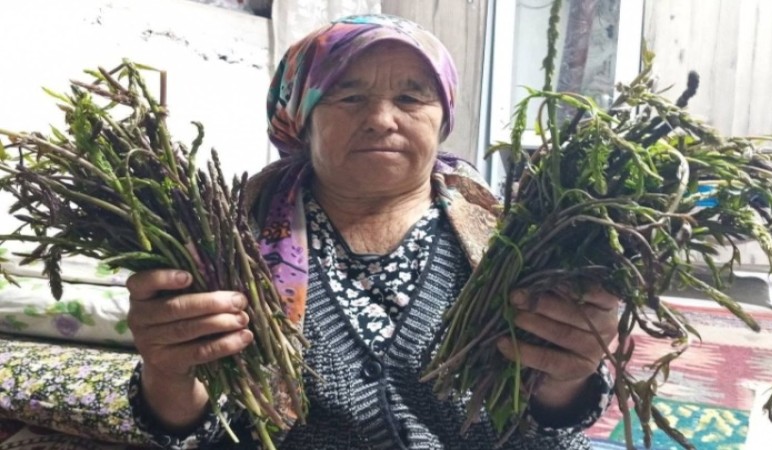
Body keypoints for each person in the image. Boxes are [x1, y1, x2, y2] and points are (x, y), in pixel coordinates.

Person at [126, 14, 619, 449]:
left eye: (411, 97)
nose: (382, 120)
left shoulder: (508, 238)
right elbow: (192, 430)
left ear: (442, 117)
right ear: (300, 117)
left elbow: (547, 430)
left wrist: (570, 375)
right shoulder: (233, 237)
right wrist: (167, 370)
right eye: (349, 96)